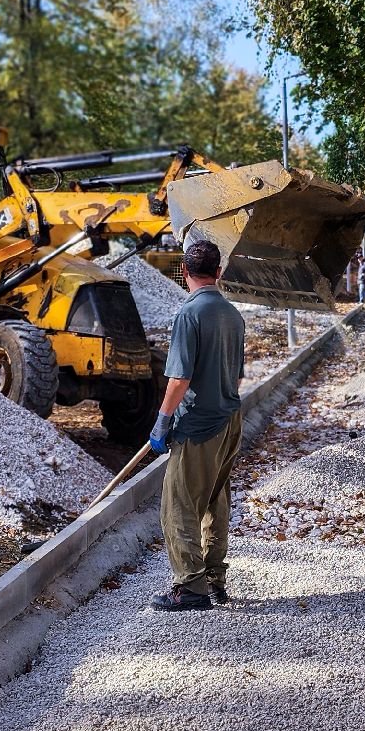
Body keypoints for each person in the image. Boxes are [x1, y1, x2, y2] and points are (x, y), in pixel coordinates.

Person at [146, 239, 248, 611]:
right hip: (229, 420)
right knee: (215, 503)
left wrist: (162, 422)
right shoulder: (233, 315)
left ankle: (191, 587)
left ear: (184, 272)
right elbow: (237, 376)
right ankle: (215, 581)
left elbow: (178, 380)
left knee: (178, 505)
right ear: (219, 273)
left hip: (200, 427)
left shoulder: (189, 315)